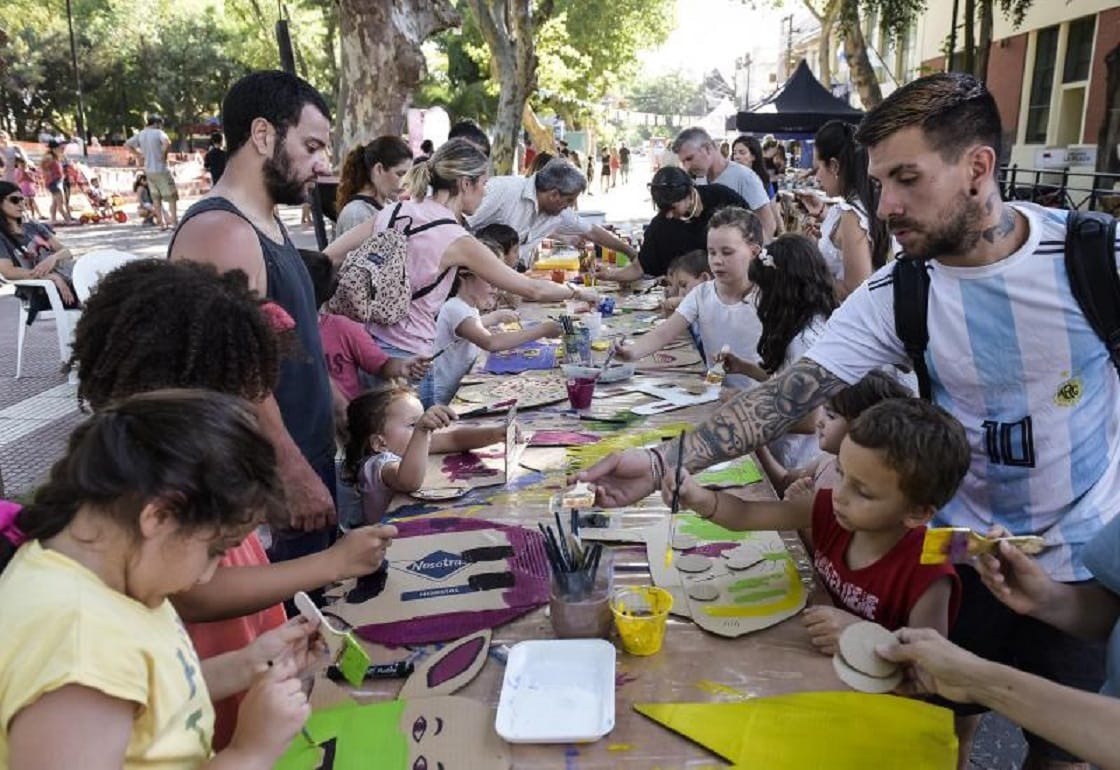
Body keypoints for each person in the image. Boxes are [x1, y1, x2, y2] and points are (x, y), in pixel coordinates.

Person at [578, 72, 1120, 770]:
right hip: (950, 556)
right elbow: (783, 398)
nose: (885, 203)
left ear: (978, 168)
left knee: (1065, 752)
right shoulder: (904, 290)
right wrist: (661, 464)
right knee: (929, 722)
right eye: (878, 180)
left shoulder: (1093, 260)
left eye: (906, 178)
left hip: (1078, 574)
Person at [67, 258, 398, 749]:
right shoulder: (139, 500)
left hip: (227, 686)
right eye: (235, 396)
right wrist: (329, 563)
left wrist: (254, 661)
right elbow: (199, 594)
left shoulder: (163, 477)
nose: (250, 411)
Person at [0, 391, 316, 769]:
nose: (206, 575)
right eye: (217, 549)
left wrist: (249, 664)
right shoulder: (81, 651)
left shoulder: (113, 574)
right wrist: (250, 752)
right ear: (160, 516)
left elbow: (153, 696)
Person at [168, 70, 338, 566]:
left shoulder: (267, 222)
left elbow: (288, 340)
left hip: (305, 457)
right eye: (311, 146)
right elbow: (237, 376)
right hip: (269, 479)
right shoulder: (222, 231)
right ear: (263, 135)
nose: (322, 165)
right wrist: (291, 471)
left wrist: (337, 403)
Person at [664, 397, 967, 649]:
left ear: (917, 513)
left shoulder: (929, 573)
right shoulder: (830, 510)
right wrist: (698, 496)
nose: (839, 495)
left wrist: (865, 638)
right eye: (840, 473)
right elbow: (746, 515)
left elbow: (931, 669)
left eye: (862, 492)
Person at [326, 141, 598, 408]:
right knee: (414, 445)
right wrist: (578, 292)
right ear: (465, 184)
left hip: (371, 352)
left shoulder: (395, 210)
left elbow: (330, 257)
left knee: (378, 444)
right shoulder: (455, 238)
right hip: (411, 359)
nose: (485, 192)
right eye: (483, 184)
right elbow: (531, 289)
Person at [720, 233, 837, 472]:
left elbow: (808, 420)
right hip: (792, 455)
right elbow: (791, 387)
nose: (758, 298)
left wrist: (745, 405)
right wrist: (747, 369)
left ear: (783, 292)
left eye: (762, 290)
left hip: (800, 463)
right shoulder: (810, 324)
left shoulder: (805, 340)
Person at [614, 207, 763, 391]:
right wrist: (632, 352)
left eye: (727, 252)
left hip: (760, 400)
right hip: (717, 394)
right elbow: (664, 333)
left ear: (754, 252)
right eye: (712, 252)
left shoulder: (768, 298)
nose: (717, 260)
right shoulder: (701, 294)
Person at [341, 386, 509, 527]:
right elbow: (409, 482)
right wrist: (420, 432)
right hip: (389, 548)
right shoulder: (378, 465)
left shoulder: (407, 446)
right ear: (379, 443)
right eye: (413, 424)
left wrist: (495, 434)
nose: (423, 429)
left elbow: (453, 439)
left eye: (421, 422)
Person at [432, 257, 563, 405]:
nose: (495, 288)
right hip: (447, 398)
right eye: (489, 281)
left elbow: (477, 325)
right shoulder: (455, 308)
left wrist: (496, 317)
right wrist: (542, 330)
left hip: (461, 387)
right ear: (464, 277)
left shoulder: (467, 307)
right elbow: (490, 342)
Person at [597, 166, 746, 283]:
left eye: (672, 208)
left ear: (689, 194)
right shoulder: (660, 226)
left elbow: (753, 231)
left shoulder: (722, 197)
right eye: (662, 209)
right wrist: (610, 275)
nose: (668, 214)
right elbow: (641, 266)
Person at [779, 370, 913, 499]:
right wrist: (760, 448)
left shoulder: (859, 487)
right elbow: (784, 481)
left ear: (862, 426)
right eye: (824, 411)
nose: (819, 422)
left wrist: (808, 509)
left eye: (831, 416)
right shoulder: (828, 459)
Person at [797, 120, 891, 299]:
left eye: (818, 168)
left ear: (834, 166)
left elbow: (854, 289)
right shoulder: (863, 204)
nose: (816, 177)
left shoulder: (852, 215)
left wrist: (807, 271)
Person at [672, 127, 776, 240]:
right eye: (683, 162)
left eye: (690, 158)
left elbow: (767, 226)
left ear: (707, 149)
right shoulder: (697, 179)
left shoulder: (745, 177)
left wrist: (751, 254)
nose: (687, 167)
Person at [0, 180, 78, 311]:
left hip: (67, 278)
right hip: (42, 290)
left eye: (22, 200)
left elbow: (66, 252)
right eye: (14, 200)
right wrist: (51, 277)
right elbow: (9, 272)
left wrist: (53, 258)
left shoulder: (33, 226)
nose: (21, 204)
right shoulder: (2, 237)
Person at [333, 135, 413, 239]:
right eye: (400, 174)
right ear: (379, 169)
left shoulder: (387, 205)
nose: (406, 182)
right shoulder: (357, 214)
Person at [126, 115, 178, 229]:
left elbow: (127, 144)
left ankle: (162, 224)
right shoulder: (158, 132)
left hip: (149, 171)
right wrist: (163, 155)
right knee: (171, 197)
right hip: (161, 169)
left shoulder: (141, 134)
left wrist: (139, 155)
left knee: (156, 198)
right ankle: (174, 223)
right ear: (157, 123)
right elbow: (166, 142)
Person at [39, 142, 70, 224]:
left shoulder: (55, 157)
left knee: (55, 202)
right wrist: (48, 174)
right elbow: (42, 166)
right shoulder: (49, 157)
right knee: (60, 202)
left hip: (57, 181)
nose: (60, 149)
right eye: (58, 148)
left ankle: (53, 219)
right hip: (53, 182)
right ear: (54, 149)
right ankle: (67, 219)